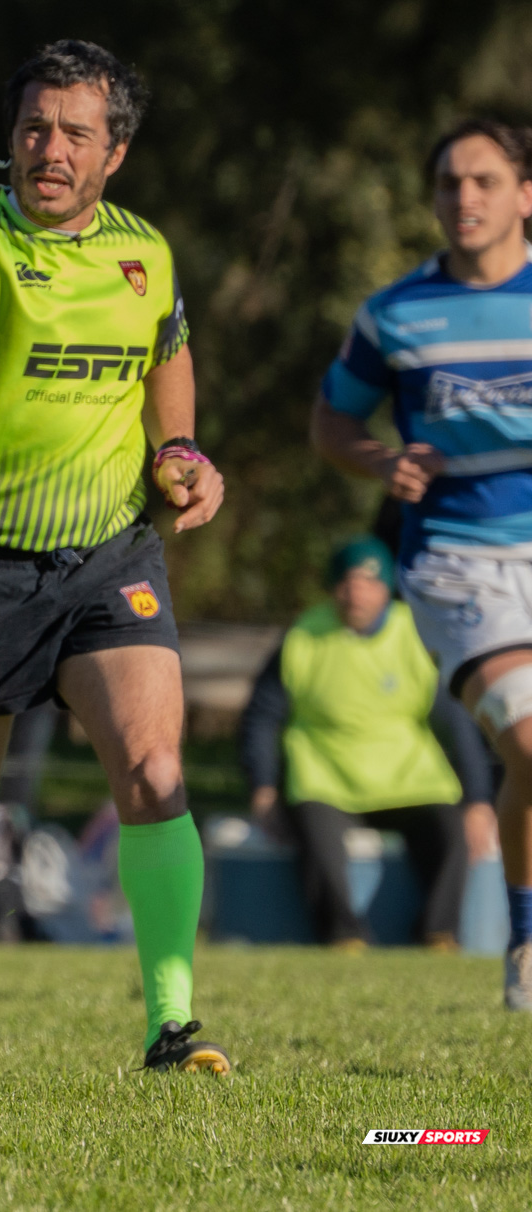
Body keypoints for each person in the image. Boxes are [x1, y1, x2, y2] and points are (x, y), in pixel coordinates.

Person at [0, 40, 229, 1076]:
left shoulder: (144, 250)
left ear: (116, 153)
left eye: (74, 133)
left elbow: (169, 352)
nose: (48, 149)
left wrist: (182, 453)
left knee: (153, 770)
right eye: (33, 129)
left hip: (109, 557)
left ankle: (171, 1025)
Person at [310, 118, 532, 1009]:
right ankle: (526, 940)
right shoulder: (396, 313)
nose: (464, 198)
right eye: (448, 183)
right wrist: (377, 459)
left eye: (483, 180)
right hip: (458, 564)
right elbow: (331, 423)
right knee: (527, 738)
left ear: (526, 194)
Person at [239, 537, 495, 947]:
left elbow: (456, 724)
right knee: (316, 838)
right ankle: (344, 936)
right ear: (331, 587)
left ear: (386, 588)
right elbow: (261, 719)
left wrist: (479, 799)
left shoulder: (415, 633)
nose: (356, 593)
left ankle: (438, 932)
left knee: (452, 833)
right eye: (346, 582)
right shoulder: (303, 637)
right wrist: (263, 788)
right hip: (326, 779)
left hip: (409, 779)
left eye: (368, 582)